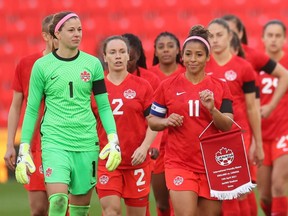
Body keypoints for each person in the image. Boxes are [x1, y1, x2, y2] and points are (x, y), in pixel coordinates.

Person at [14, 11, 121, 216]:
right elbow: (32, 109)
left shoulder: (93, 64)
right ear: (57, 34)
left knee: (80, 210)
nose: (77, 34)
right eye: (71, 30)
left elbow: (104, 106)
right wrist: (24, 148)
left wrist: (113, 139)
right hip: (55, 142)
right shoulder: (42, 67)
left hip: (86, 142)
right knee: (59, 201)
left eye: (79, 29)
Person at [148, 25, 234, 216]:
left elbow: (227, 125)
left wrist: (212, 109)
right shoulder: (167, 86)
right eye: (188, 54)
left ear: (207, 57)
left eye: (198, 55)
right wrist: (166, 121)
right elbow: (153, 121)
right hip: (179, 162)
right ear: (182, 56)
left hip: (212, 163)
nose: (193, 59)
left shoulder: (220, 87)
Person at [206, 18, 263, 216]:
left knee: (239, 190)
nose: (215, 40)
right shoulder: (203, 65)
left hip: (240, 134)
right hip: (212, 136)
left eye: (219, 35)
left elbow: (252, 107)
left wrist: (257, 142)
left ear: (230, 36)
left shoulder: (243, 67)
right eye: (210, 36)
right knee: (219, 192)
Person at [95, 35, 157, 216]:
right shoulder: (96, 87)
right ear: (105, 57)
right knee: (111, 211)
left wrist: (144, 148)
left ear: (128, 56)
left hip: (136, 162)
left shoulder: (142, 86)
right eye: (112, 52)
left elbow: (153, 123)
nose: (118, 56)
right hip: (107, 163)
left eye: (122, 52)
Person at [3, 14, 55, 216]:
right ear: (45, 36)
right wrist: (10, 145)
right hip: (34, 146)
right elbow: (16, 106)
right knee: (39, 210)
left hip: (65, 143)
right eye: (54, 33)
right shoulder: (26, 64)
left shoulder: (75, 65)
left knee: (64, 206)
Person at [148, 31, 185, 216]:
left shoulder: (188, 73)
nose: (166, 50)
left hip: (183, 145)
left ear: (178, 50)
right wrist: (152, 144)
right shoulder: (149, 77)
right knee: (162, 204)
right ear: (154, 52)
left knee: (182, 204)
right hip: (158, 147)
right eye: (161, 47)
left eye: (170, 46)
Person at [257, 20, 288, 216]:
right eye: (270, 35)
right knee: (265, 196)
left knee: (278, 185)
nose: (274, 39)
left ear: (284, 39)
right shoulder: (255, 65)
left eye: (278, 36)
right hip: (260, 135)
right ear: (263, 38)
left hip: (284, 132)